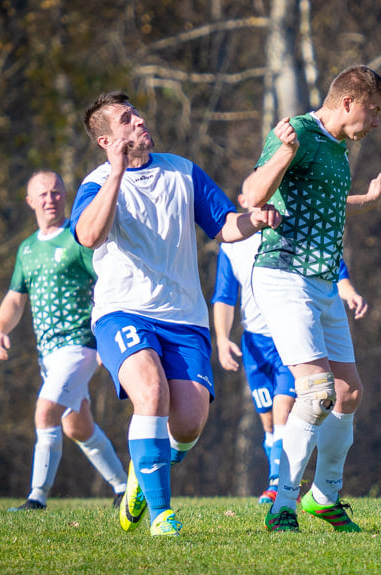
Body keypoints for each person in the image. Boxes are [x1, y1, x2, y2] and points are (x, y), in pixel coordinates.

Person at [70, 91, 279, 537]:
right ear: (107, 140)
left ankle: (142, 478)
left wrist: (255, 221)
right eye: (126, 120)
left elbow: (224, 226)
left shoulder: (182, 170)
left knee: (187, 424)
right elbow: (88, 236)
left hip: (185, 317)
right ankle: (162, 515)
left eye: (137, 113)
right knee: (151, 394)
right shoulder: (96, 183)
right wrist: (117, 174)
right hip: (123, 312)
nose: (139, 121)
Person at [241, 65, 381, 532]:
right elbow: (252, 194)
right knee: (317, 391)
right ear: (349, 101)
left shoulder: (337, 146)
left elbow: (319, 193)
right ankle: (283, 502)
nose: (376, 122)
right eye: (374, 109)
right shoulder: (298, 133)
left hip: (322, 282)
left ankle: (323, 497)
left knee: (348, 393)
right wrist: (285, 152)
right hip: (284, 275)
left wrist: (363, 199)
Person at [0, 170, 128, 512]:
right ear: (30, 201)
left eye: (56, 192)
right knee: (77, 426)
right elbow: (14, 298)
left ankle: (37, 498)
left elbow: (107, 283)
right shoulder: (27, 249)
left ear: (65, 195)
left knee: (45, 411)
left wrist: (104, 336)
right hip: (48, 354)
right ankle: (123, 488)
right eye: (43, 194)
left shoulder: (76, 238)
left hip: (80, 343)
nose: (50, 199)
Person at [211, 208, 368, 504]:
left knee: (288, 405)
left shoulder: (293, 229)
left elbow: (336, 267)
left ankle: (279, 488)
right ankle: (286, 479)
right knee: (269, 421)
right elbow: (223, 297)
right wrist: (221, 338)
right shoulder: (232, 246)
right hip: (254, 344)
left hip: (289, 334)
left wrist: (347, 292)